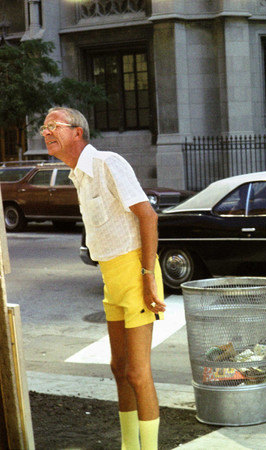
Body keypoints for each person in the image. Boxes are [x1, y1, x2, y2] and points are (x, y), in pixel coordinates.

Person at [41, 107, 167, 450]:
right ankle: (130, 445)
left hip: (135, 273)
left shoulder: (107, 163)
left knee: (139, 373)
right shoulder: (78, 175)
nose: (46, 132)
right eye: (44, 127)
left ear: (78, 132)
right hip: (112, 278)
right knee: (119, 367)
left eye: (54, 126)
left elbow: (149, 216)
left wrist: (146, 277)